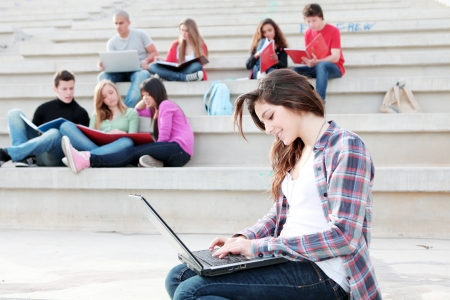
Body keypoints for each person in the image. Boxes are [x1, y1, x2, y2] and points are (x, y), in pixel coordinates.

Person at [165, 70, 381, 299]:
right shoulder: (296, 151)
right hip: (287, 258)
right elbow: (279, 215)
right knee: (179, 277)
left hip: (326, 272)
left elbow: (344, 237)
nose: (268, 129)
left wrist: (258, 248)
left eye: (270, 116)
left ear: (294, 99)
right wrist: (244, 239)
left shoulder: (346, 146)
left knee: (190, 291)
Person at [61, 78, 194, 174]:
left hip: (179, 150)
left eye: (148, 94)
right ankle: (86, 159)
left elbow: (163, 139)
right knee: (135, 154)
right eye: (143, 95)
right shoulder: (155, 110)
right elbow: (138, 109)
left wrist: (154, 151)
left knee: (133, 152)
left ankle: (87, 160)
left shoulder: (165, 104)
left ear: (157, 92)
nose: (145, 98)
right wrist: (147, 97)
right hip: (176, 153)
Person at [0, 70, 89, 168]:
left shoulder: (81, 113)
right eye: (64, 89)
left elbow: (80, 146)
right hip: (37, 153)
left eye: (71, 88)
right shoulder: (43, 108)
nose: (69, 92)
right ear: (55, 89)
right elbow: (34, 132)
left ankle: (8, 153)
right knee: (14, 113)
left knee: (54, 133)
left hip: (56, 156)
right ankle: (24, 157)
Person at [59, 80, 138, 159]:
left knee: (128, 142)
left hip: (117, 150)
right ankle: (92, 156)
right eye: (104, 97)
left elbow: (134, 140)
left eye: (111, 93)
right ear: (101, 100)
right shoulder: (96, 114)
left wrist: (123, 133)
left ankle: (83, 157)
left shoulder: (131, 113)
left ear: (116, 92)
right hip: (96, 146)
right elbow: (90, 137)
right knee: (65, 126)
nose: (109, 97)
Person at [97, 10, 159, 108]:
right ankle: (110, 108)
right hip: (119, 73)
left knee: (142, 75)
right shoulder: (111, 42)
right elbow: (112, 61)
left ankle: (125, 109)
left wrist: (145, 61)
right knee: (102, 77)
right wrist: (105, 64)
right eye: (115, 23)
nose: (118, 26)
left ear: (128, 23)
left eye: (121, 23)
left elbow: (154, 52)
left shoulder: (141, 34)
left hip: (138, 71)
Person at [292, 3, 345, 103]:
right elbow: (309, 54)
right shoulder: (307, 33)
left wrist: (318, 61)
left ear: (321, 17)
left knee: (321, 65)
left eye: (314, 20)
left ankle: (320, 101)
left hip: (334, 68)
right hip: (316, 67)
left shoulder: (334, 31)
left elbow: (335, 57)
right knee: (293, 71)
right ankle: (301, 100)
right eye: (308, 21)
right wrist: (308, 61)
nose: (312, 24)